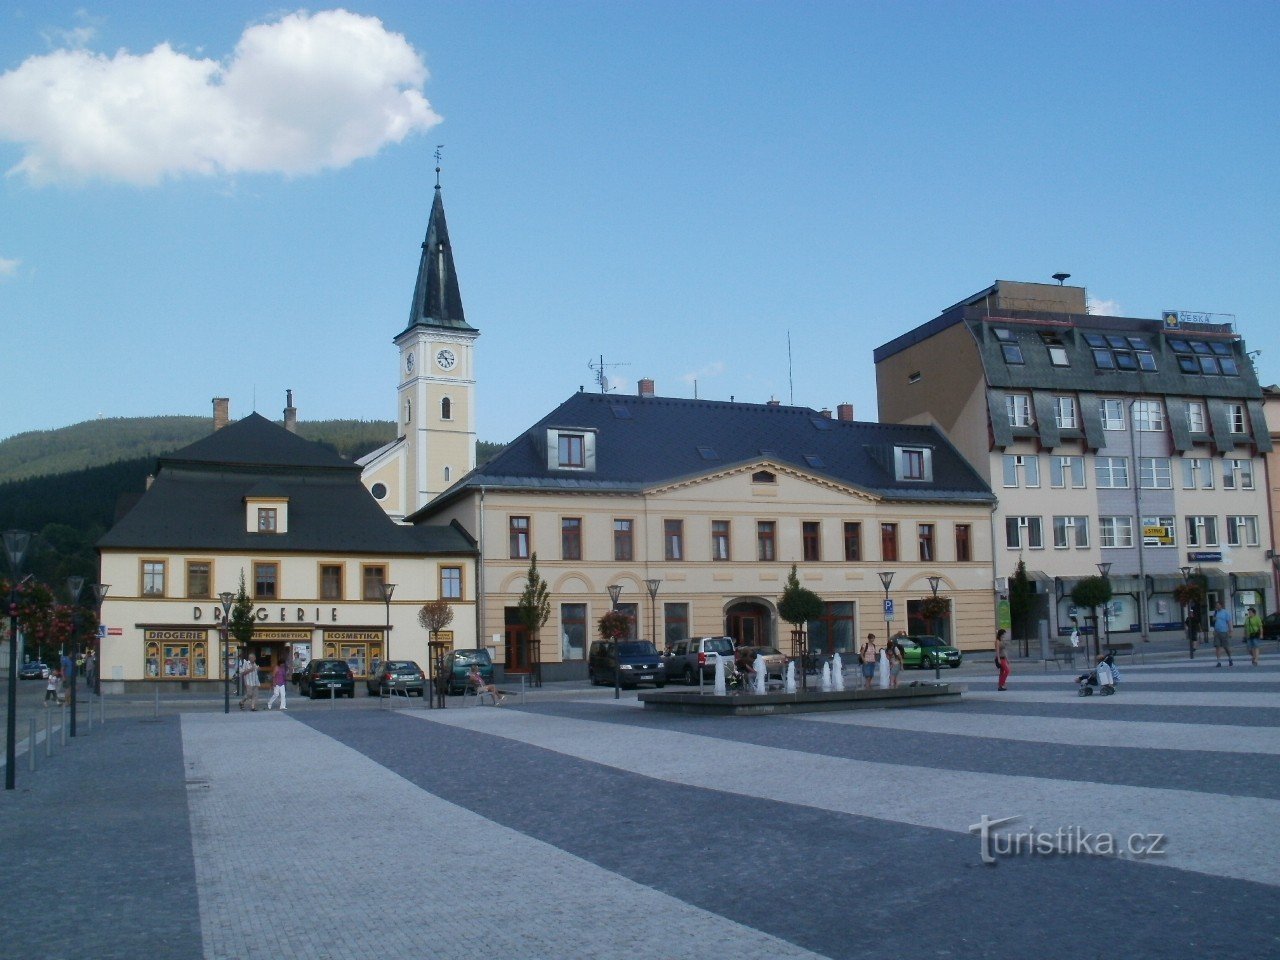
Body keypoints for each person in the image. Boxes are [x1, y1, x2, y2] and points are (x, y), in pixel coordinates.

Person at [1211, 601, 1234, 668]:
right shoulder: (1215, 613)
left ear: (1221, 605)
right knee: (1217, 647)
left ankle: (1230, 658)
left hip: (1224, 632)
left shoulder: (1225, 613)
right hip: (1217, 632)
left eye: (1218, 605)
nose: (1217, 606)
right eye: (1216, 605)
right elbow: (1213, 622)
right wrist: (1214, 630)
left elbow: (1229, 622)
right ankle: (1218, 662)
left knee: (1226, 647)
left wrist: (1231, 631)